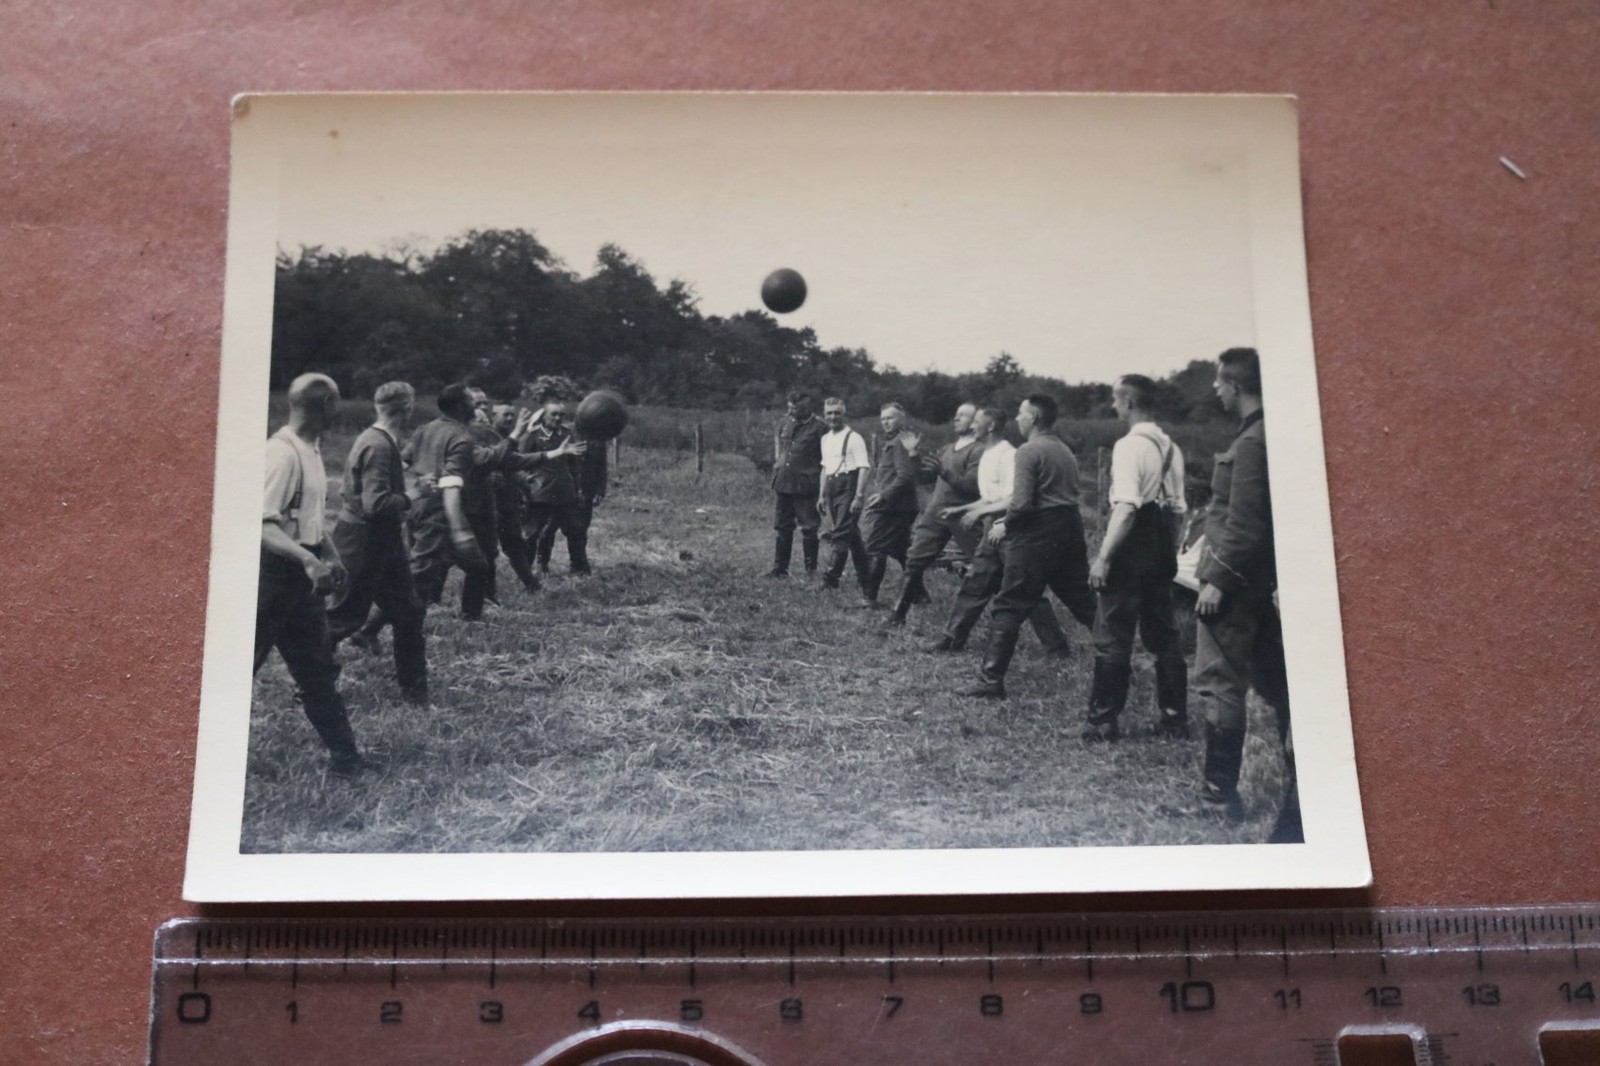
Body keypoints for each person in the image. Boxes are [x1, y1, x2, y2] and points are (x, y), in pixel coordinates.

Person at [1192, 348, 1298, 840]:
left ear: (1235, 385)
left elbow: (1247, 523)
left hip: (1235, 585)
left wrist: (1219, 579)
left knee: (1220, 683)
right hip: (1254, 583)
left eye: (1220, 382)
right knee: (1277, 686)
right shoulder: (1262, 434)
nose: (1216, 389)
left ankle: (1218, 798)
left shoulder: (1254, 442)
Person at [255, 373, 373, 776]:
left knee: (318, 671)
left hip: (301, 584)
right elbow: (262, 524)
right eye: (336, 402)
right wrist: (307, 560)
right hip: (270, 579)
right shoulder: (281, 453)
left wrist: (331, 556)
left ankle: (347, 761)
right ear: (326, 404)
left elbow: (308, 519)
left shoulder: (312, 451)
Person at [958, 393, 1096, 698]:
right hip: (1069, 528)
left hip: (1037, 531)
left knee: (1010, 602)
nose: (1017, 418)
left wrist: (1004, 523)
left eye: (1021, 413)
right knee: (1081, 598)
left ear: (1033, 418)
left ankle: (990, 680)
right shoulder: (1064, 450)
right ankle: (1118, 660)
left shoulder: (1027, 451)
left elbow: (1021, 504)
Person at [408, 384, 575, 620]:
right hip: (450, 509)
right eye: (473, 402)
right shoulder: (460, 436)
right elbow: (489, 459)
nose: (479, 408)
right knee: (428, 568)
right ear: (461, 406)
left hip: (436, 507)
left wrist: (551, 454)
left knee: (472, 564)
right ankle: (384, 621)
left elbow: (405, 459)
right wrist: (516, 435)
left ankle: (470, 615)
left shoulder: (426, 430)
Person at [1084, 375, 1189, 742]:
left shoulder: (1129, 446)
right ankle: (1175, 720)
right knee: (1165, 637)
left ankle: (1102, 721)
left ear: (1128, 402)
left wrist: (1104, 558)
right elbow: (1178, 510)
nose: (1113, 406)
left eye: (1116, 400)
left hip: (1132, 543)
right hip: (1161, 542)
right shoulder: (1171, 447)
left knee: (1113, 634)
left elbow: (1127, 507)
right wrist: (1168, 553)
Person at [924, 407, 1072, 656]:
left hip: (1011, 531)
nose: (972, 426)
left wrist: (982, 515)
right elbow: (990, 498)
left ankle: (1057, 647)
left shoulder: (1009, 455)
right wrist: (962, 509)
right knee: (975, 583)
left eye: (977, 422)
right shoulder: (987, 454)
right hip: (990, 532)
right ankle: (952, 639)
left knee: (1024, 591)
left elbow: (1014, 499)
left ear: (991, 426)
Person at [326, 381, 430, 704]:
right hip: (364, 541)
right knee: (342, 620)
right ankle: (311, 687)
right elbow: (376, 504)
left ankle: (415, 694)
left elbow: (358, 492)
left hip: (382, 540)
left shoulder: (376, 439)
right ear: (407, 408)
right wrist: (415, 493)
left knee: (409, 611)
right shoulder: (379, 445)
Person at [885, 402, 984, 626]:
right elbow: (925, 478)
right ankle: (897, 615)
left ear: (975, 422)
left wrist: (944, 472)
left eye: (963, 416)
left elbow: (972, 487)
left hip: (963, 516)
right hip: (936, 513)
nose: (956, 418)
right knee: (914, 560)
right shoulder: (947, 448)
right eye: (956, 414)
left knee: (986, 566)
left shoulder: (979, 451)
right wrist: (913, 455)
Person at [521, 400, 597, 575]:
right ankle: (526, 571)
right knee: (533, 533)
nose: (557, 418)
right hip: (540, 492)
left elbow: (573, 465)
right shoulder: (533, 435)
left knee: (575, 529)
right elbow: (520, 460)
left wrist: (577, 489)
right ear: (544, 416)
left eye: (561, 415)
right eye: (553, 414)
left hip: (565, 492)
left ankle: (579, 568)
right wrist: (526, 485)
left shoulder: (567, 433)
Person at [856, 402, 921, 608]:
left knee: (875, 548)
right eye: (883, 418)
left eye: (890, 418)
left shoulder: (901, 442)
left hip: (896, 507)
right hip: (899, 505)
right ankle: (920, 594)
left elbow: (905, 477)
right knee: (900, 550)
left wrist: (883, 496)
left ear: (902, 419)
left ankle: (869, 598)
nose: (885, 422)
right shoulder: (894, 441)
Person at [815, 397, 872, 592]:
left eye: (837, 413)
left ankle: (831, 579)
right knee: (851, 534)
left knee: (840, 533)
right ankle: (866, 575)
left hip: (849, 486)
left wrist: (859, 496)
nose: (833, 417)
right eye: (829, 413)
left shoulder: (854, 438)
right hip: (832, 486)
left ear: (844, 414)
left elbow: (864, 468)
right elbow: (825, 468)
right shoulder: (825, 438)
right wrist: (822, 495)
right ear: (824, 415)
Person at [768, 391, 824, 578]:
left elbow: (826, 457)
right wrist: (778, 465)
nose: (790, 411)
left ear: (807, 408)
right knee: (782, 526)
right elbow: (781, 449)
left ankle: (810, 571)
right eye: (789, 407)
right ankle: (780, 568)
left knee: (809, 528)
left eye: (795, 408)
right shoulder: (784, 422)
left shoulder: (820, 427)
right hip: (783, 482)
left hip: (806, 485)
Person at [488, 403, 542, 596]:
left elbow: (512, 463)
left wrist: (521, 478)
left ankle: (531, 584)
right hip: (488, 501)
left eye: (512, 415)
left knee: (514, 543)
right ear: (493, 416)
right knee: (487, 550)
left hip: (508, 500)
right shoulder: (486, 435)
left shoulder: (511, 437)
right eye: (506, 415)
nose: (510, 418)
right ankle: (488, 594)